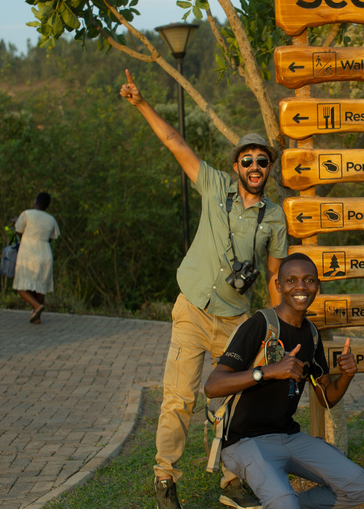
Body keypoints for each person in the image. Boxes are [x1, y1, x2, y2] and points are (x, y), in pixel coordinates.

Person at [120, 70, 288, 509]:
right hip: (193, 308)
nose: (254, 167)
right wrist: (141, 104)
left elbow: (274, 275)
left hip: (236, 319)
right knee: (179, 397)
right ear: (236, 166)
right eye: (247, 160)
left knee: (237, 402)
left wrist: (274, 329)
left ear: (268, 168)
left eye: (262, 161)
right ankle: (165, 479)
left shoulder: (275, 218)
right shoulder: (214, 187)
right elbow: (176, 141)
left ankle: (234, 481)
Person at [204, 253, 364, 509]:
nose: (301, 287)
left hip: (288, 437)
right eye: (291, 280)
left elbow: (325, 396)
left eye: (309, 280)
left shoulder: (311, 333)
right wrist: (267, 371)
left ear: (317, 286)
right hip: (244, 442)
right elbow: (212, 386)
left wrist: (347, 375)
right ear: (279, 285)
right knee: (283, 503)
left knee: (361, 488)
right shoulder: (259, 324)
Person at [13, 192, 60, 324]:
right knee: (40, 287)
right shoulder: (51, 219)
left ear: (36, 202)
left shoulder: (27, 214)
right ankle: (36, 317)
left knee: (20, 286)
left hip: (29, 252)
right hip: (45, 253)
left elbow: (18, 231)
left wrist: (16, 222)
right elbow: (51, 238)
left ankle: (37, 306)